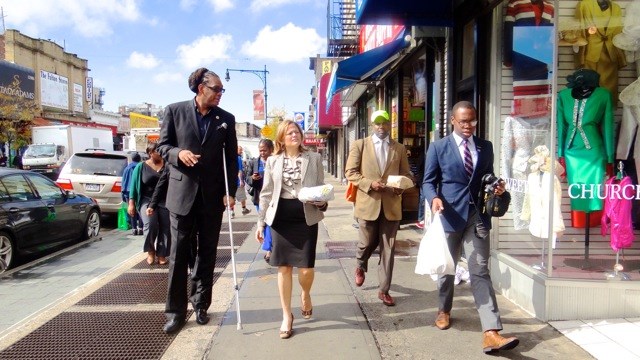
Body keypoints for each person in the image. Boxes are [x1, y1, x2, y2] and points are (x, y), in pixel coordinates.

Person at [422, 101, 519, 354]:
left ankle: (491, 331)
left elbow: (487, 175)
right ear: (453, 120)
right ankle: (444, 309)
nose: (468, 126)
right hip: (448, 216)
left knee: (480, 271)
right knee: (447, 268)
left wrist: (496, 186)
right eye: (463, 121)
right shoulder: (438, 147)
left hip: (476, 217)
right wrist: (433, 198)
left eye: (472, 121)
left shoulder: (485, 147)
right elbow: (428, 181)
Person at [157, 67, 238, 334]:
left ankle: (201, 304)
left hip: (212, 197)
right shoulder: (174, 111)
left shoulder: (225, 119)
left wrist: (231, 191)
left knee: (207, 254)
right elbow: (163, 147)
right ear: (201, 88)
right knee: (178, 256)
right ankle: (175, 312)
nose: (220, 94)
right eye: (217, 89)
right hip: (181, 196)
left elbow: (230, 160)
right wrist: (179, 154)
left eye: (222, 90)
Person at [255, 120, 328, 339]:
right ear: (281, 138)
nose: (294, 135)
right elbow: (266, 193)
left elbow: (321, 189)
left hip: (305, 217)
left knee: (305, 269)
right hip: (280, 219)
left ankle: (305, 294)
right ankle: (287, 315)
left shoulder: (314, 158)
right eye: (289, 133)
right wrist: (261, 223)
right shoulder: (273, 161)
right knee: (283, 268)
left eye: (296, 131)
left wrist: (323, 202)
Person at [345, 110, 412, 307]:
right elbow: (350, 172)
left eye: (384, 123)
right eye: (377, 123)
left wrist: (402, 185)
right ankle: (360, 264)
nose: (381, 127)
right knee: (366, 243)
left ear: (389, 125)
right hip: (368, 203)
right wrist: (369, 184)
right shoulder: (360, 145)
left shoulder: (398, 148)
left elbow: (406, 173)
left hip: (391, 204)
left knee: (388, 249)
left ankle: (384, 290)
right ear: (372, 125)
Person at [127, 142, 170, 265]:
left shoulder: (166, 165)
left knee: (166, 227)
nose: (161, 153)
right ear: (150, 153)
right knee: (150, 225)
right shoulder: (141, 167)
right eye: (158, 151)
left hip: (164, 200)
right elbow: (133, 187)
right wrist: (131, 203)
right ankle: (151, 251)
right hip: (146, 200)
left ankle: (162, 254)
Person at [247, 139, 275, 262]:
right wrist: (253, 178)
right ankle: (269, 248)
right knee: (264, 223)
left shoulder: (276, 161)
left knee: (270, 223)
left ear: (271, 150)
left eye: (265, 150)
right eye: (260, 150)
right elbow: (247, 178)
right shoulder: (254, 162)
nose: (262, 153)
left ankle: (270, 248)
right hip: (259, 197)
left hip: (274, 198)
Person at [122, 153, 143, 235]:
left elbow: (124, 182)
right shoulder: (142, 167)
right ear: (139, 159)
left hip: (128, 192)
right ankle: (141, 228)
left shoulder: (127, 168)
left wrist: (123, 195)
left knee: (131, 210)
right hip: (139, 191)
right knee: (140, 209)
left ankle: (134, 229)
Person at [232, 145, 250, 217]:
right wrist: (241, 181)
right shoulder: (238, 158)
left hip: (231, 182)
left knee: (232, 196)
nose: (241, 151)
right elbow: (239, 170)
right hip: (237, 181)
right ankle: (244, 209)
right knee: (242, 196)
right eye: (240, 150)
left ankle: (231, 212)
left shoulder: (229, 158)